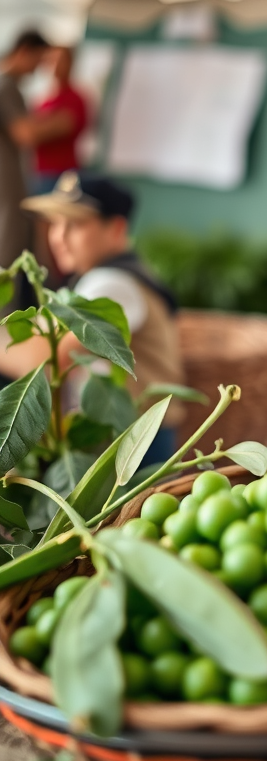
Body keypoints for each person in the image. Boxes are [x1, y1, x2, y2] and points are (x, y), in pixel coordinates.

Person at [0, 172, 185, 466]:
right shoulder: (97, 280)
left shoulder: (113, 283)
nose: (58, 236)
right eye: (55, 224)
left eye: (74, 224)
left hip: (135, 444)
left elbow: (46, 358)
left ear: (116, 229)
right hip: (126, 436)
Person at [0, 29, 49, 285]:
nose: (38, 69)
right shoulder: (6, 85)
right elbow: (25, 133)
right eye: (38, 60)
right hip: (7, 185)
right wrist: (61, 122)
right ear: (23, 51)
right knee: (9, 256)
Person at [30, 46, 89, 195]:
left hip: (64, 173)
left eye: (60, 60)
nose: (55, 65)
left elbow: (33, 133)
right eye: (52, 60)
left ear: (70, 63)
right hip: (39, 173)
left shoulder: (76, 98)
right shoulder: (42, 100)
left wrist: (37, 128)